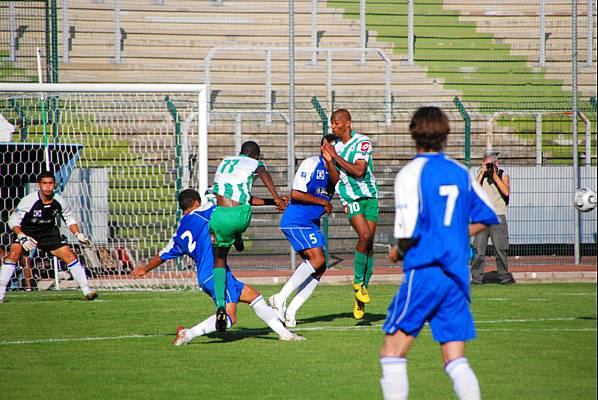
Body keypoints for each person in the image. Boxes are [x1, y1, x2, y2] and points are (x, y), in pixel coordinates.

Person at [380, 107, 499, 400]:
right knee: (455, 358)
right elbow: (487, 214)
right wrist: (456, 233)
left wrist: (397, 251)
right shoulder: (459, 172)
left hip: (426, 272)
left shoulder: (410, 173)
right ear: (446, 134)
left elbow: (407, 234)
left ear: (413, 132)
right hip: (457, 275)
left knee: (392, 352)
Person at [132, 189, 303, 343]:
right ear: (197, 202)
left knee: (253, 296)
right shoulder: (205, 211)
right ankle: (188, 334)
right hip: (215, 272)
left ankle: (285, 335)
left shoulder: (178, 233)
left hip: (206, 275)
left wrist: (145, 269)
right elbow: (238, 200)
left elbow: (162, 255)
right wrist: (274, 201)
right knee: (230, 317)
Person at [210, 140, 287, 331]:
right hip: (240, 215)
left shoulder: (225, 162)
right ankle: (237, 234)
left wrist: (272, 202)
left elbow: (243, 194)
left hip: (218, 215)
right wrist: (276, 198)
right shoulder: (254, 163)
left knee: (219, 259)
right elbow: (263, 175)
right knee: (239, 216)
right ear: (256, 156)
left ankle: (220, 304)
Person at [268, 134, 340, 327]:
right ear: (323, 147)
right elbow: (296, 193)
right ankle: (280, 298)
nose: (335, 151)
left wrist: (331, 161)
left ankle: (291, 311)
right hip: (296, 221)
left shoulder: (335, 170)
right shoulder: (310, 163)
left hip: (310, 223)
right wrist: (322, 202)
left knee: (320, 267)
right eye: (332, 147)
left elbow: (336, 181)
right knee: (318, 260)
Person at [0, 171, 97, 303]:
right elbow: (13, 221)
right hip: (28, 232)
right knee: (14, 254)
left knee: (69, 255)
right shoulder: (28, 201)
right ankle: (0, 294)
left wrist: (78, 234)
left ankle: (87, 291)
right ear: (39, 185)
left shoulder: (59, 201)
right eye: (44, 183)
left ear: (54, 185)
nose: (47, 186)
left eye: (50, 183)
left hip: (48, 233)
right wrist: (22, 236)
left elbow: (69, 219)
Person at [321, 109, 378, 320]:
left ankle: (360, 296)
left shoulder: (363, 142)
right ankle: (357, 282)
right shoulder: (334, 148)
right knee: (364, 236)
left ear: (347, 123)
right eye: (332, 123)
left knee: (369, 246)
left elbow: (360, 171)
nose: (333, 127)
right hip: (350, 198)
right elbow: (336, 179)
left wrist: (334, 156)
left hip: (369, 196)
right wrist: (329, 162)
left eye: (336, 123)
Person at [470, 151, 514, 285]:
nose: (489, 166)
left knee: (500, 249)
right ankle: (476, 278)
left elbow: (506, 191)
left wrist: (494, 175)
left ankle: (505, 278)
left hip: (497, 216)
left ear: (496, 163)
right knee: (479, 250)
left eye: (492, 163)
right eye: (487, 164)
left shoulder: (503, 174)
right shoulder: (480, 175)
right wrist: (482, 173)